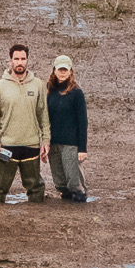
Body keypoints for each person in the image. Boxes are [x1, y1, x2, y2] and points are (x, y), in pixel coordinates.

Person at [0, 42, 49, 203]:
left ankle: (36, 221)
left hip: (31, 145)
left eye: (23, 59)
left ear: (27, 60)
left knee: (35, 188)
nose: (20, 62)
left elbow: (43, 115)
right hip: (7, 146)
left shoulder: (37, 85)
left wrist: (45, 141)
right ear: (10, 60)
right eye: (16, 59)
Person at [46, 55, 89, 202]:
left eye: (65, 70)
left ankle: (80, 204)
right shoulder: (49, 91)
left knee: (73, 181)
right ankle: (66, 207)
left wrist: (82, 149)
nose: (62, 73)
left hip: (71, 144)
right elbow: (45, 119)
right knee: (60, 182)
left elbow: (82, 122)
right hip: (54, 143)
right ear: (54, 71)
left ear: (71, 71)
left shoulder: (77, 93)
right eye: (60, 70)